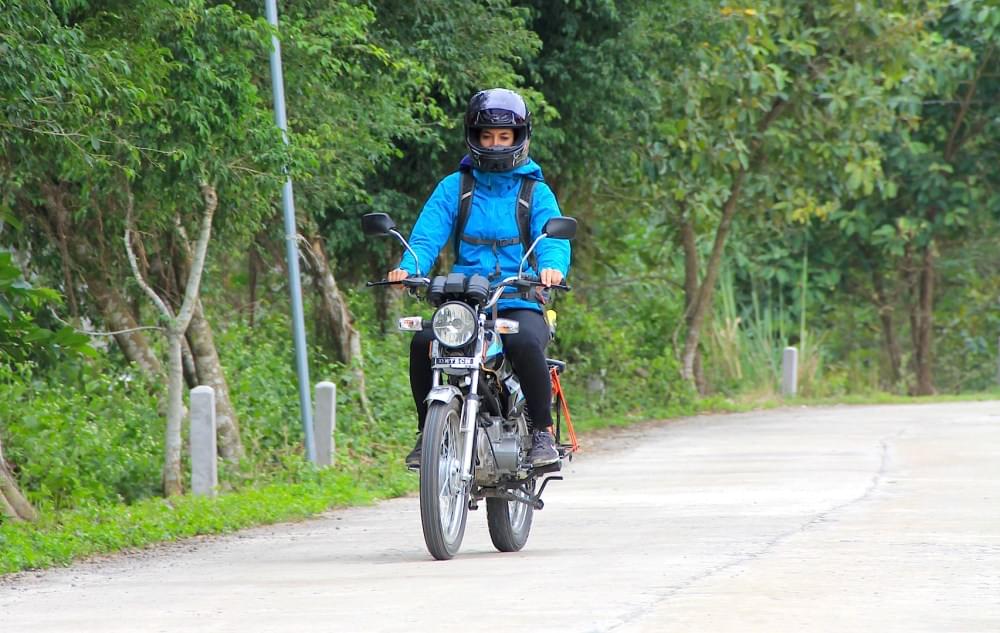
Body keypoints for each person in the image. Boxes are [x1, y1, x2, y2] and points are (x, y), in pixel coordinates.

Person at [387, 88, 571, 469]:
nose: (495, 144)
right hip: (464, 301)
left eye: (504, 136)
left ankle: (542, 433)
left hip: (518, 298)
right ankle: (428, 432)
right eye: (487, 136)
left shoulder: (534, 191)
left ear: (520, 137)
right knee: (424, 340)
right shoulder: (454, 187)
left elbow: (552, 239)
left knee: (521, 342)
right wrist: (409, 267)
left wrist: (551, 268)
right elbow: (426, 237)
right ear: (473, 136)